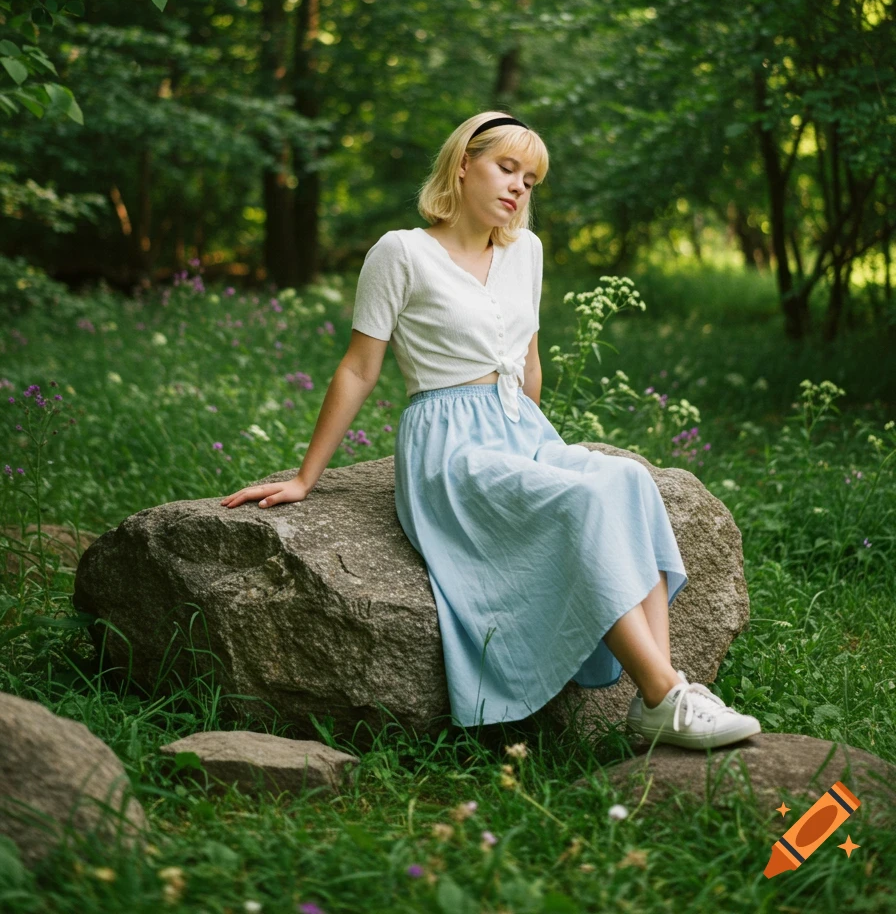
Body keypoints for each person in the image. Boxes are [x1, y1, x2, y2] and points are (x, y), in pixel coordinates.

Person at [222, 111, 761, 749]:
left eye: (530, 180)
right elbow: (358, 369)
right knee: (585, 503)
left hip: (520, 429)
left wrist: (543, 453)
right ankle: (662, 694)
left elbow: (527, 363)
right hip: (449, 448)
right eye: (506, 168)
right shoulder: (402, 252)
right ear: (462, 165)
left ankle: (663, 693)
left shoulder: (524, 252)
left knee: (625, 480)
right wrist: (304, 479)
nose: (518, 188)